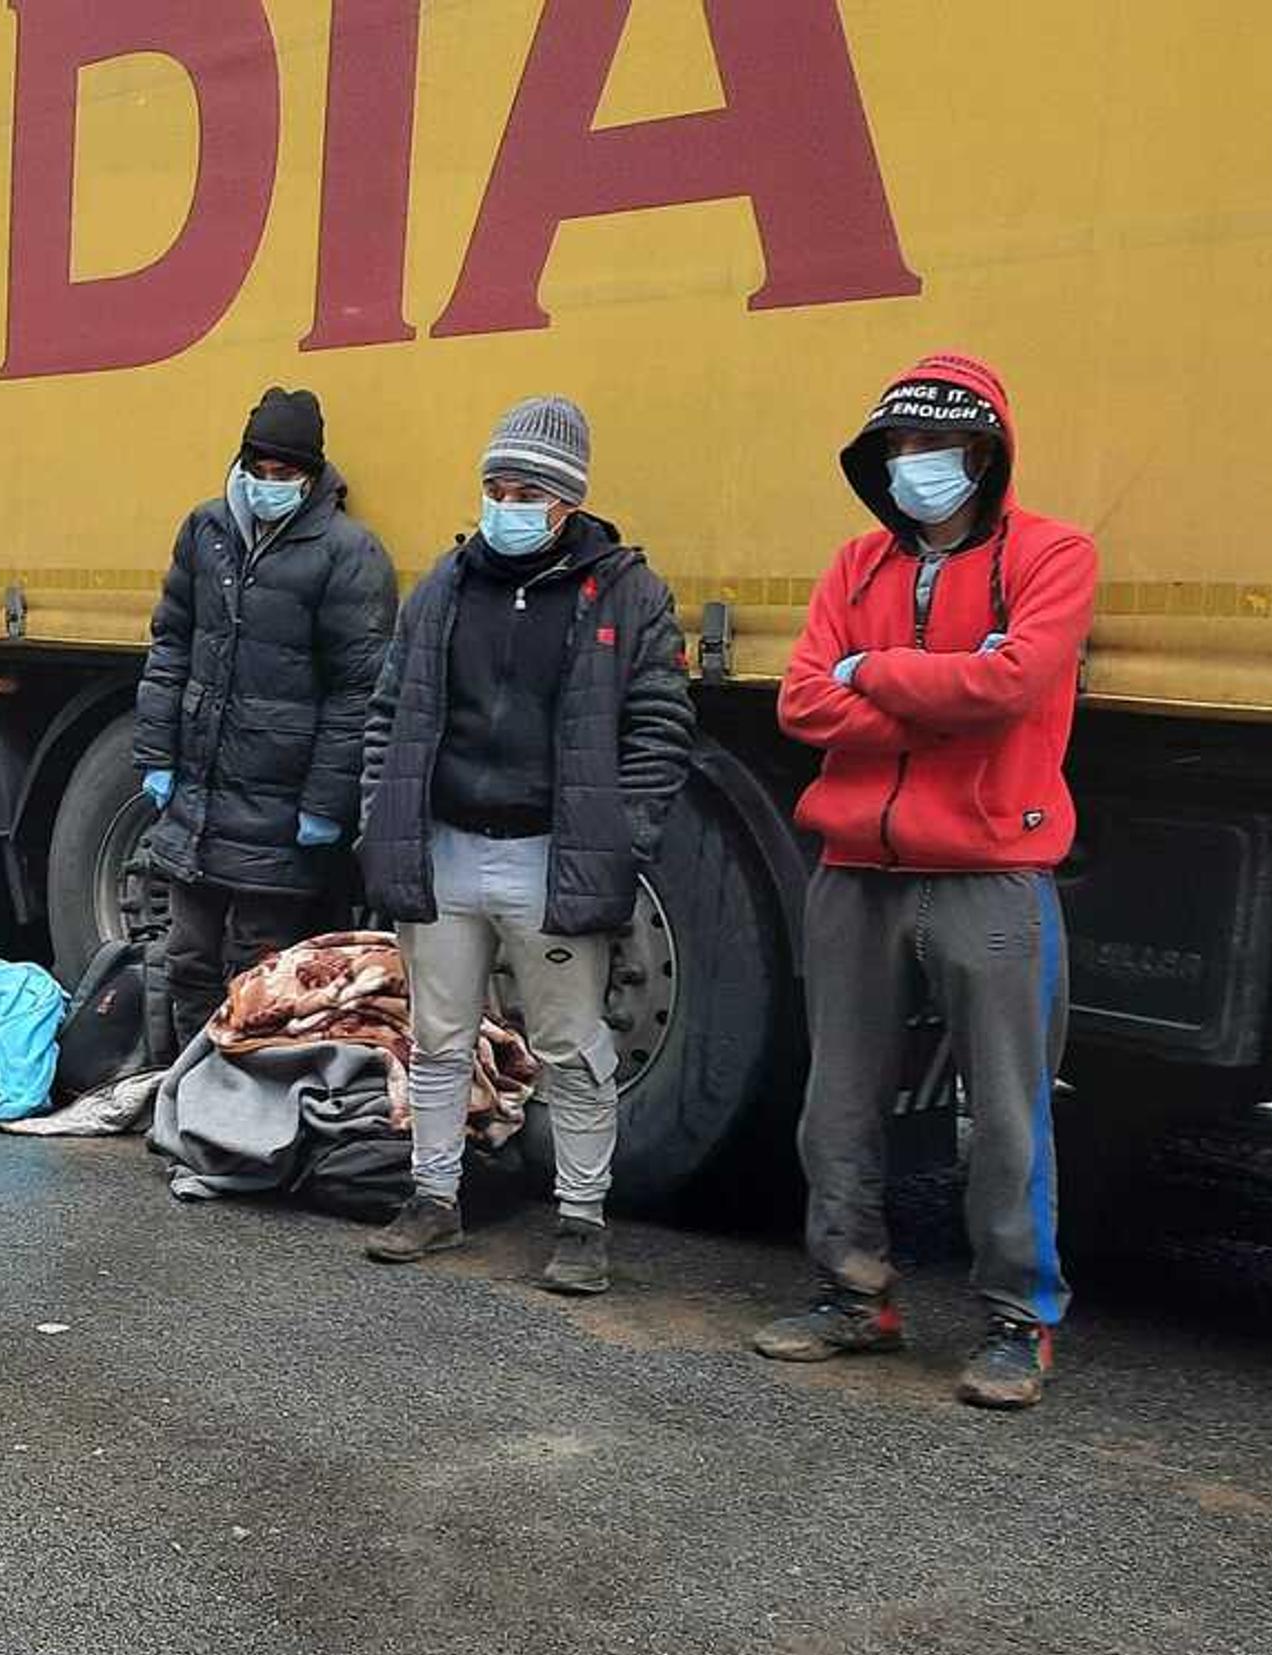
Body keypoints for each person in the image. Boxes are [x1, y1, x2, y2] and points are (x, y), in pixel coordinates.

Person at [762, 354, 1098, 1410]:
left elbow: (1011, 687)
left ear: (986, 453)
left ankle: (1017, 1320)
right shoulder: (851, 565)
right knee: (836, 1103)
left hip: (992, 873)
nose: (914, 467)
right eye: (895, 450)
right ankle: (851, 1294)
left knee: (1005, 1111)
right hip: (853, 867)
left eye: (933, 447)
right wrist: (927, 692)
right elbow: (799, 702)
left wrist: (871, 674)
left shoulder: (1053, 555)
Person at [355, 396, 694, 1292]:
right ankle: (432, 1200)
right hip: (446, 850)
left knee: (570, 1044)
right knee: (435, 1038)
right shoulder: (442, 587)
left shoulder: (625, 593)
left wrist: (624, 838)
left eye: (526, 490)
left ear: (567, 501)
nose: (505, 504)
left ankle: (581, 1223)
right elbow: (389, 716)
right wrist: (379, 820)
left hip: (550, 855)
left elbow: (658, 729)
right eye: (495, 486)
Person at [134, 384, 397, 1040]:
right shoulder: (205, 531)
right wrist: (155, 754)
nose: (267, 485)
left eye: (284, 475)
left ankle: (251, 1096)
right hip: (198, 798)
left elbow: (355, 693)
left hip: (279, 809)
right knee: (189, 956)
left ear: (310, 478)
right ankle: (189, 1086)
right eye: (258, 471)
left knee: (263, 969)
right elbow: (170, 646)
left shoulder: (347, 554)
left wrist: (323, 804)